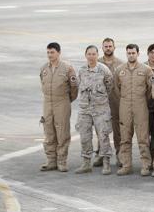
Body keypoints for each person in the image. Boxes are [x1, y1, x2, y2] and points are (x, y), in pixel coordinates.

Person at [114, 44, 154, 176]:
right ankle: (126, 165)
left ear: (138, 54)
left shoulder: (146, 70)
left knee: (143, 137)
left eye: (133, 53)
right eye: (129, 53)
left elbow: (150, 90)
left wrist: (142, 100)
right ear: (126, 54)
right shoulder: (119, 70)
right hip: (124, 105)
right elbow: (116, 88)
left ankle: (145, 165)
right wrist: (125, 100)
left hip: (140, 105)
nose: (131, 55)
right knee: (125, 137)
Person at [39, 42, 78, 172]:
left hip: (62, 102)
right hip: (48, 103)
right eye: (48, 52)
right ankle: (51, 161)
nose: (50, 55)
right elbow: (42, 83)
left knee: (62, 132)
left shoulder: (67, 68)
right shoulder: (44, 68)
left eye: (52, 52)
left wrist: (67, 100)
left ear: (59, 53)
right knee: (49, 131)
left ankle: (62, 161)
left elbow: (74, 88)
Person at [75, 45, 114, 175]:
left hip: (100, 108)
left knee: (103, 136)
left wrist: (99, 100)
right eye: (89, 54)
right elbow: (78, 86)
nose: (91, 56)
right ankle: (86, 163)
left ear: (97, 55)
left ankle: (106, 163)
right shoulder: (81, 70)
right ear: (85, 55)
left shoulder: (104, 70)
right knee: (84, 136)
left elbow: (110, 86)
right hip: (85, 109)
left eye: (94, 54)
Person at [95, 37, 124, 167]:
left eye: (110, 46)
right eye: (105, 46)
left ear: (114, 47)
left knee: (118, 131)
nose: (108, 48)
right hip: (100, 103)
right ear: (102, 48)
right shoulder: (97, 63)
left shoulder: (121, 64)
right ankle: (101, 155)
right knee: (101, 130)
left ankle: (120, 155)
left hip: (116, 101)